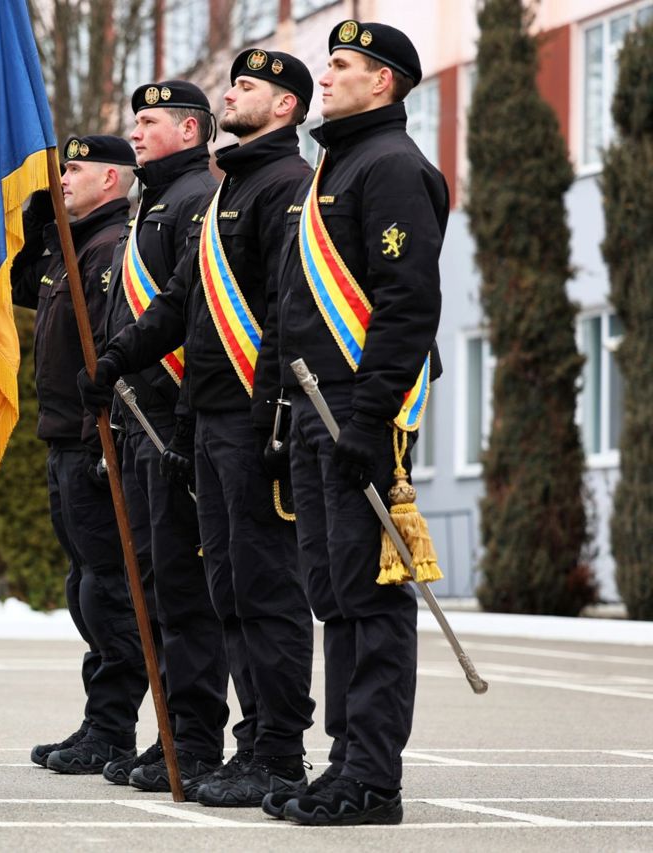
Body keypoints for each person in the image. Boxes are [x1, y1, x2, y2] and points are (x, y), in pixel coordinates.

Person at [85, 50, 318, 810]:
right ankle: (252, 744)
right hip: (212, 420)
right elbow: (183, 301)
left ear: (284, 107)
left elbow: (288, 314)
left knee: (263, 590)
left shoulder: (284, 185)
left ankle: (278, 750)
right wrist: (117, 357)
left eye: (247, 86)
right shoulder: (234, 189)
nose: (231, 92)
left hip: (252, 423)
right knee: (227, 591)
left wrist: (274, 417)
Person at [273, 20, 447, 826]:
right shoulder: (335, 167)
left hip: (359, 413)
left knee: (373, 599)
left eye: (341, 64)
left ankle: (374, 777)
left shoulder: (394, 167)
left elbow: (408, 304)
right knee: (334, 592)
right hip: (315, 414)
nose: (327, 74)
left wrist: (371, 419)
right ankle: (344, 758)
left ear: (384, 81)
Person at [77, 79, 256, 795]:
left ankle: (195, 738)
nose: (138, 131)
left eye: (150, 121)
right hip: (145, 425)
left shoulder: (192, 202)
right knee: (161, 593)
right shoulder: (153, 200)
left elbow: (196, 316)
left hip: (180, 423)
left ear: (190, 131)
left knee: (187, 597)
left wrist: (175, 416)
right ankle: (179, 735)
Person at [10, 135, 152, 775]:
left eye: (75, 169)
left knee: (109, 591)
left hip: (96, 440)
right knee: (85, 587)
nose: (63, 178)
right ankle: (102, 722)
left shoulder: (112, 250)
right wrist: (38, 234)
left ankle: (114, 729)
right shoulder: (73, 247)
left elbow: (120, 345)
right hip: (62, 436)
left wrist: (111, 437)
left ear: (113, 182)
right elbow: (19, 294)